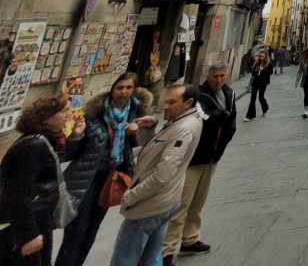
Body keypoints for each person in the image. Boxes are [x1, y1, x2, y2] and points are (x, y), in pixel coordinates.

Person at [56, 73, 152, 266]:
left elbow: (145, 146)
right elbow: (67, 154)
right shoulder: (94, 114)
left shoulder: (136, 115)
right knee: (76, 231)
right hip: (84, 180)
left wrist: (138, 132)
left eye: (128, 88)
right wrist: (76, 135)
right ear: (112, 89)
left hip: (111, 180)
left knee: (91, 230)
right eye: (120, 87)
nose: (123, 92)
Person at [111, 85, 201, 266]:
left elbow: (162, 176)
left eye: (172, 102)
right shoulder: (181, 122)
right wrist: (151, 129)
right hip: (165, 201)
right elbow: (153, 148)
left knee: (125, 258)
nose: (165, 106)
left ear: (188, 103)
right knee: (151, 257)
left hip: (150, 203)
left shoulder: (183, 129)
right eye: (166, 101)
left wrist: (131, 196)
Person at [162, 63, 237, 264]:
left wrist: (221, 147)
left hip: (212, 156)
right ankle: (167, 250)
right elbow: (201, 118)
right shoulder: (198, 95)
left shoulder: (229, 93)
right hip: (194, 157)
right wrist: (220, 116)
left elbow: (231, 122)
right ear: (208, 76)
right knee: (182, 203)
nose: (219, 80)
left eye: (222, 76)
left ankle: (190, 240)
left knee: (198, 202)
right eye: (215, 76)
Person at [0, 95, 83, 266]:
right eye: (64, 111)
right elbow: (17, 193)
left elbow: (54, 162)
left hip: (38, 218)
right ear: (45, 118)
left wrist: (74, 137)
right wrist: (28, 234)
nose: (69, 115)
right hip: (23, 225)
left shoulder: (46, 140)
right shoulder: (34, 146)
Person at [244, 50, 272, 121]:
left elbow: (270, 72)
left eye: (263, 56)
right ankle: (250, 115)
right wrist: (256, 70)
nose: (261, 57)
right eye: (260, 56)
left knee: (261, 97)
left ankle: (265, 108)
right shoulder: (258, 63)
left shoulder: (269, 63)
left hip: (263, 82)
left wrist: (263, 70)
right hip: (256, 81)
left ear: (265, 56)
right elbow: (253, 73)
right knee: (253, 98)